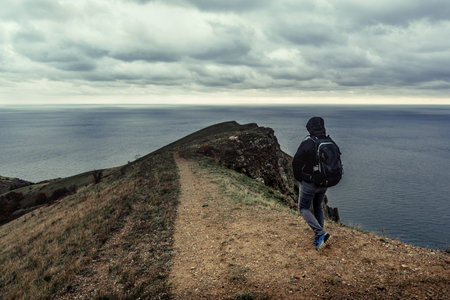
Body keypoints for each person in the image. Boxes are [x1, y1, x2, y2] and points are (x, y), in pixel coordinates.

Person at [292, 116, 331, 251]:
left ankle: (321, 233)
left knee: (303, 208)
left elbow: (296, 161)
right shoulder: (327, 141)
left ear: (309, 128)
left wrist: (300, 178)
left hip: (310, 182)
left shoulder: (308, 142)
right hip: (324, 182)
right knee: (318, 205)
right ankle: (319, 234)